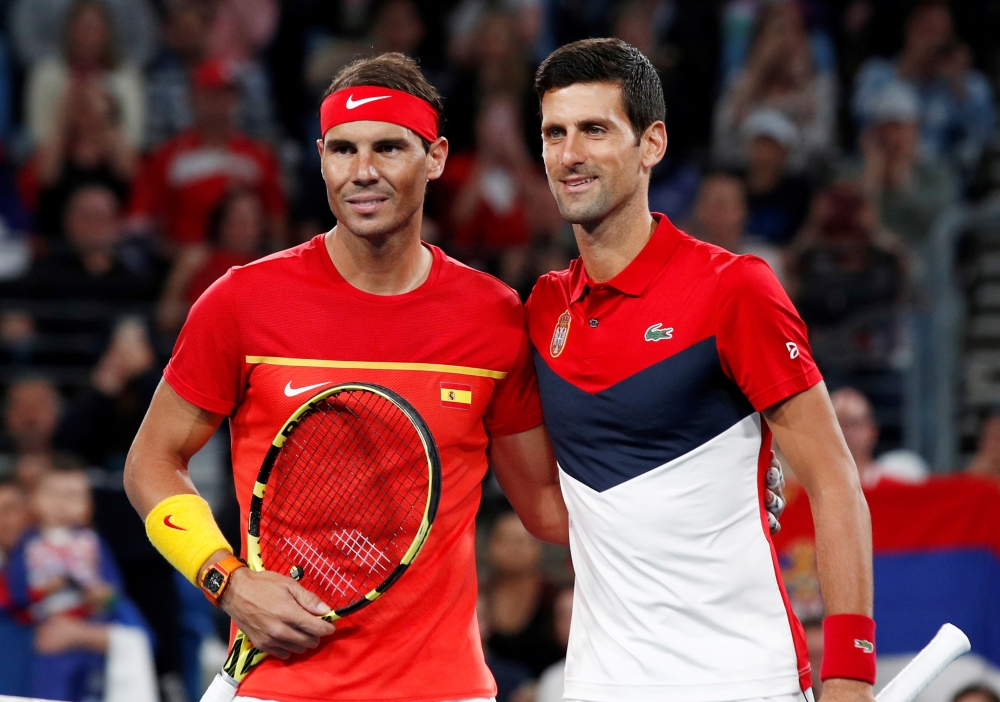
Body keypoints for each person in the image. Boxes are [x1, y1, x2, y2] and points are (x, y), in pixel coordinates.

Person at [124, 52, 568, 702]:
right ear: (321, 157)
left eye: (389, 147)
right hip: (275, 686)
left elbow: (547, 510)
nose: (363, 172)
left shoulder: (494, 317)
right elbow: (149, 463)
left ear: (436, 156)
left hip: (443, 689)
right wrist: (225, 579)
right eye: (342, 149)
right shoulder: (241, 302)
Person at [526, 38, 873, 702]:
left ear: (651, 143)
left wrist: (852, 676)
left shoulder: (734, 289)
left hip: (742, 680)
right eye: (554, 134)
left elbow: (834, 481)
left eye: (595, 130)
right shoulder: (542, 310)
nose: (570, 154)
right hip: (599, 686)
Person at [128, 58, 286, 249]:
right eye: (210, 95)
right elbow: (142, 218)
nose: (218, 104)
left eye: (225, 95)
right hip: (186, 262)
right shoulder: (168, 157)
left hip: (244, 262)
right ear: (192, 99)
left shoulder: (258, 156)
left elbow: (276, 217)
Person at [6, 465, 116, 701]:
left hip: (91, 633)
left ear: (89, 504)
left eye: (73, 495)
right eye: (54, 494)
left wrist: (102, 596)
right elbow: (16, 594)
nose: (62, 503)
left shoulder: (93, 542)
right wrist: (44, 590)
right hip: (45, 638)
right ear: (34, 499)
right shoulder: (28, 544)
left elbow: (114, 590)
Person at [852, 0, 995, 174]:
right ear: (909, 29)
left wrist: (958, 86)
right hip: (887, 171)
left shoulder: (969, 84)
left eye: (941, 33)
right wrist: (908, 69)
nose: (933, 42)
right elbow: (863, 118)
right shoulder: (876, 72)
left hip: (944, 179)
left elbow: (985, 137)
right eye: (927, 31)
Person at [23, 0, 145, 151]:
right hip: (59, 163)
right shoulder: (46, 75)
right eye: (83, 29)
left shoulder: (126, 77)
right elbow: (38, 140)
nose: (89, 38)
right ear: (70, 31)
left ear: (107, 33)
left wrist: (103, 118)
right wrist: (69, 114)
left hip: (112, 164)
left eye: (96, 29)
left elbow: (134, 141)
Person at [483, 511, 564, 676]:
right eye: (505, 540)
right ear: (489, 546)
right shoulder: (478, 596)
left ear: (540, 547)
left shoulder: (556, 598)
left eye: (522, 541)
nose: (514, 549)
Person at [534, 585, 573, 702]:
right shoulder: (550, 679)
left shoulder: (617, 672)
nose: (569, 621)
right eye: (562, 615)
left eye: (574, 613)